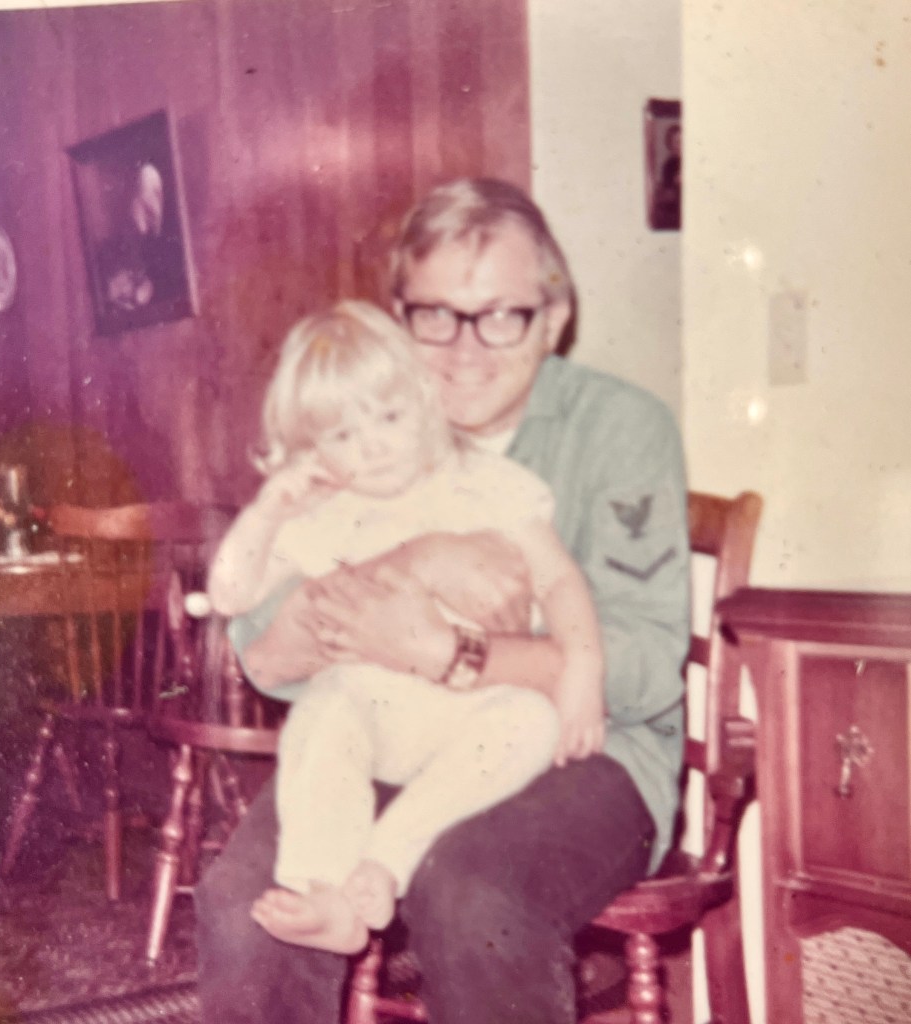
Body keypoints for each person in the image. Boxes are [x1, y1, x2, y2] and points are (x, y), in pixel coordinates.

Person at [195, 177, 689, 1024]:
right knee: (247, 906)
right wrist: (417, 563)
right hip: (387, 731)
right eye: (436, 316)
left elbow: (642, 668)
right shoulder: (369, 420)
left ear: (553, 317)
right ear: (399, 319)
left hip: (586, 752)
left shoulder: (619, 427)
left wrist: (453, 653)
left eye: (501, 316)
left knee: (469, 889)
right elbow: (265, 653)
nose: (465, 350)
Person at [206, 299, 604, 954]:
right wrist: (268, 510)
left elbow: (559, 579)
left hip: (470, 713)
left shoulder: (485, 484)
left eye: (388, 417)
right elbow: (229, 593)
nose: (372, 446)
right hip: (370, 714)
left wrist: (583, 667)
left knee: (531, 721)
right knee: (323, 714)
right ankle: (321, 890)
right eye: (342, 435)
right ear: (312, 448)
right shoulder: (327, 512)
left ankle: (383, 863)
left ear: (424, 396)